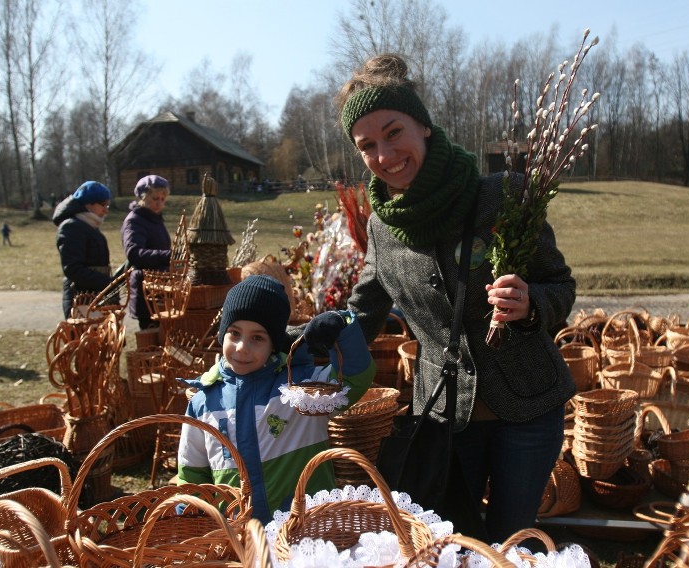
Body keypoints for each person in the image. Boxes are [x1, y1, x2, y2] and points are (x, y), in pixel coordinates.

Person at [335, 53, 576, 542]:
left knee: (511, 540)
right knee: (450, 542)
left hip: (528, 408)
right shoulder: (382, 228)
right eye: (367, 145)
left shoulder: (502, 195)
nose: (384, 154)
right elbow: (362, 315)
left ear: (423, 125)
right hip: (444, 417)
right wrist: (292, 338)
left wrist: (531, 304)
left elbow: (561, 285)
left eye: (393, 132)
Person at [176, 274, 374, 523]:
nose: (242, 347)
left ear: (274, 344)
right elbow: (192, 475)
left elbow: (355, 379)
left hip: (305, 531)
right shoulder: (203, 403)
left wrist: (342, 326)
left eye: (257, 338)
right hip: (238, 538)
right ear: (222, 334)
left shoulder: (301, 392)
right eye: (234, 333)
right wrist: (187, 522)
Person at [51, 181, 114, 319]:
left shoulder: (90, 225)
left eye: (107, 205)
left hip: (94, 297)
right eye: (103, 204)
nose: (106, 210)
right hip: (80, 299)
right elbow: (73, 269)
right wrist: (107, 282)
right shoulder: (71, 227)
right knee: (86, 339)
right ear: (89, 203)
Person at [120, 175, 172, 329]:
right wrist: (169, 256)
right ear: (143, 197)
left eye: (163, 199)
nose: (159, 203)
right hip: (146, 292)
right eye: (155, 198)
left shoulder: (155, 220)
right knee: (151, 341)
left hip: (160, 289)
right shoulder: (135, 221)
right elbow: (134, 253)